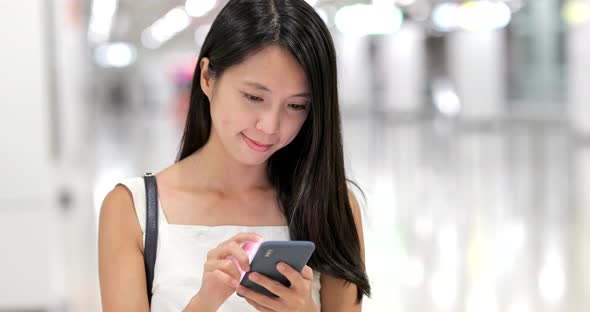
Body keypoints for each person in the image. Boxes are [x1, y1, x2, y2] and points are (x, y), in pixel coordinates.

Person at [98, 0, 370, 311]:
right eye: (254, 97)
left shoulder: (331, 205)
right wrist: (204, 302)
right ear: (207, 78)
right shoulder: (132, 210)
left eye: (296, 106)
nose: (269, 126)